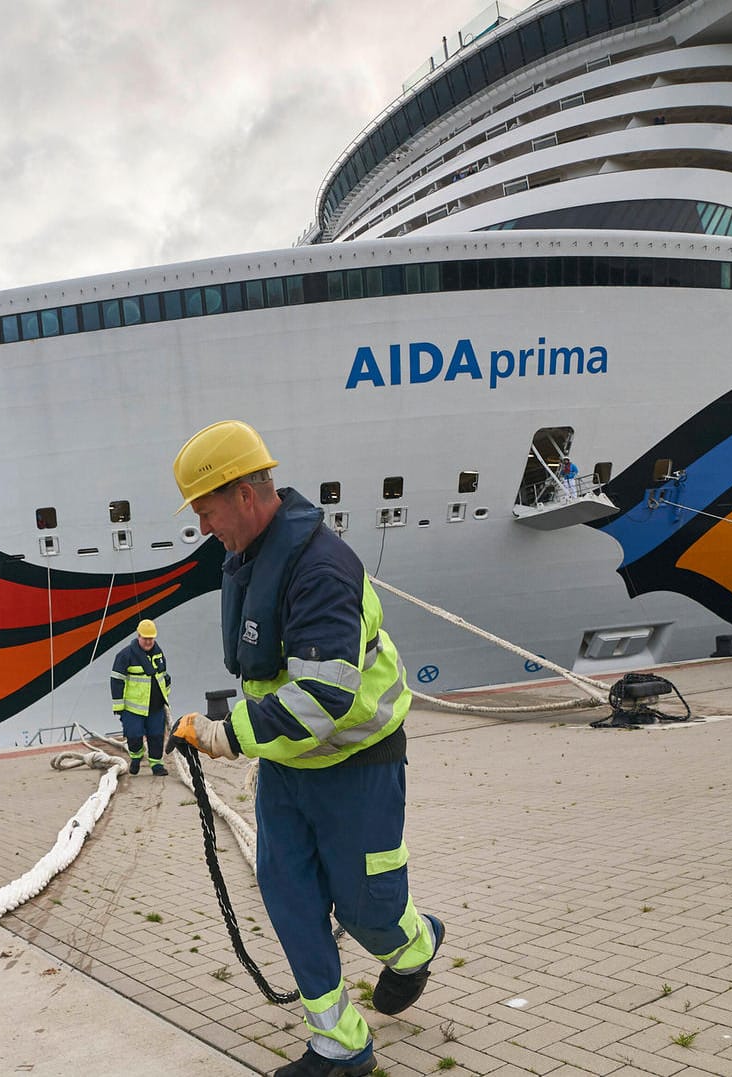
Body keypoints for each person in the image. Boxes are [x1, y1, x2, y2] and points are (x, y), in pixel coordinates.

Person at [167, 420, 443, 1077]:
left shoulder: (320, 568)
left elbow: (325, 698)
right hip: (289, 769)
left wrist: (225, 733)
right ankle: (340, 1044)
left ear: (242, 494)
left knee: (365, 907)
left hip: (358, 765)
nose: (204, 527)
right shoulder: (251, 557)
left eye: (205, 510)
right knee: (289, 898)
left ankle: (414, 943)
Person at [109, 618, 172, 776]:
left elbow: (164, 676)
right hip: (133, 707)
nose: (148, 642)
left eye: (151, 638)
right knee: (134, 735)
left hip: (155, 705)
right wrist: (118, 706)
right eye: (145, 638)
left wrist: (166, 696)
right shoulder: (125, 655)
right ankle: (136, 757)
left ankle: (157, 765)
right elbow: (117, 681)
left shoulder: (158, 653)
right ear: (138, 636)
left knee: (156, 736)